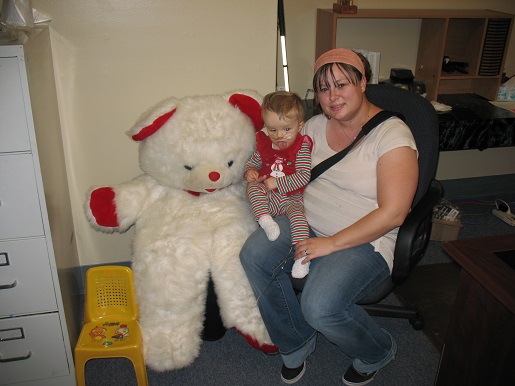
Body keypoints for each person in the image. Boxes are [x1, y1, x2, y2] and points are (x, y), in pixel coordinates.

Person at [240, 48, 419, 385]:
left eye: (342, 84)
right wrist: (259, 176)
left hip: (363, 238)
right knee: (254, 255)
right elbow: (277, 156)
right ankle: (296, 342)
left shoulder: (392, 136)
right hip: (303, 217)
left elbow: (394, 213)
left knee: (319, 306)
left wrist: (330, 243)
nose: (333, 96)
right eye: (324, 89)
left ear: (363, 82)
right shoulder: (314, 126)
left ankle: (377, 350)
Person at [244, 91, 313, 278]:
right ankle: (265, 220)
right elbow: (253, 162)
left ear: (299, 125)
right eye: (272, 130)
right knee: (253, 187)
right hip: (268, 197)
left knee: (299, 218)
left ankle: (302, 257)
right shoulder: (265, 145)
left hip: (291, 198)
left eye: (286, 129)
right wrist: (250, 171)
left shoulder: (301, 146)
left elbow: (304, 175)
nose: (279, 136)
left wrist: (278, 182)